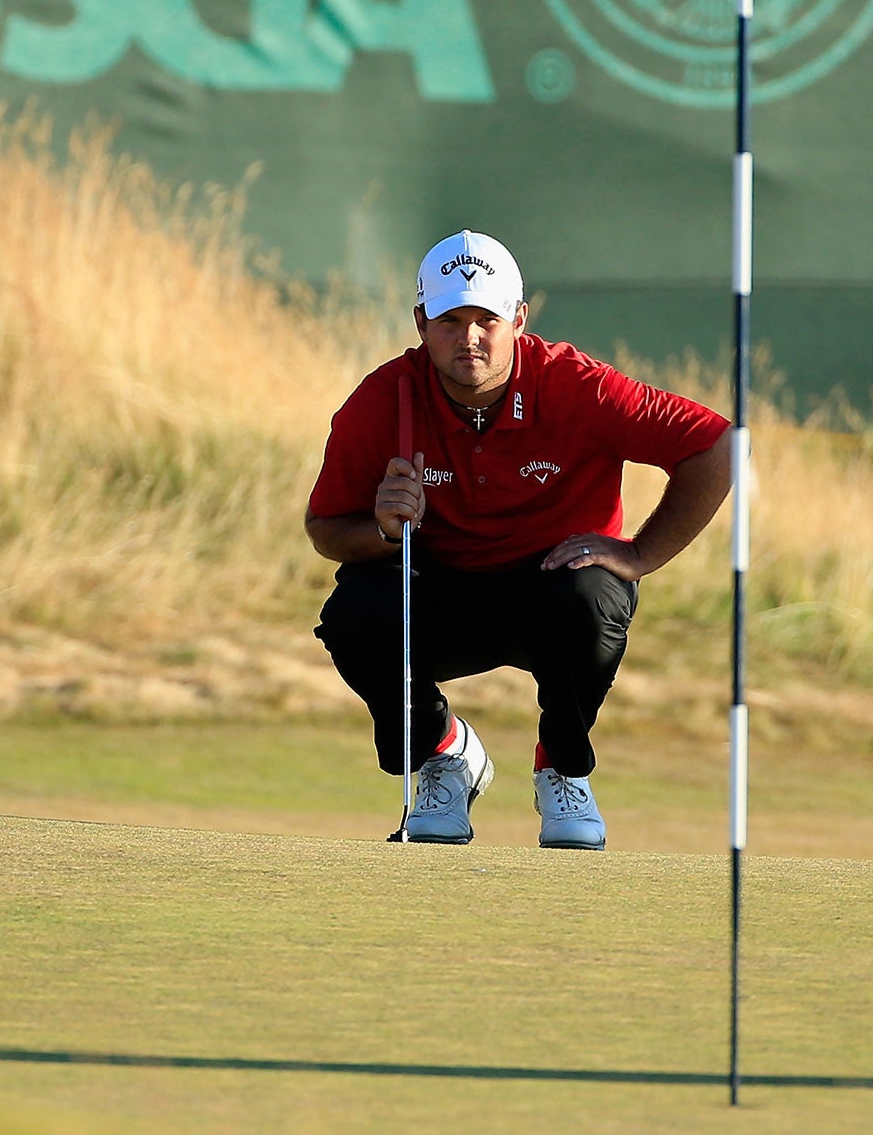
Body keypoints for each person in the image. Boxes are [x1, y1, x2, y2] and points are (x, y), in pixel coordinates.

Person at [305, 230, 731, 848]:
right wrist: (381, 529)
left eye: (487, 319)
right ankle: (445, 753)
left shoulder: (576, 385)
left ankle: (561, 767)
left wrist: (640, 554)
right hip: (441, 590)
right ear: (421, 321)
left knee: (593, 595)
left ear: (519, 320)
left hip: (552, 593)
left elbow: (713, 445)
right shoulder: (382, 401)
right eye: (450, 320)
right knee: (353, 613)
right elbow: (324, 528)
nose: (469, 338)